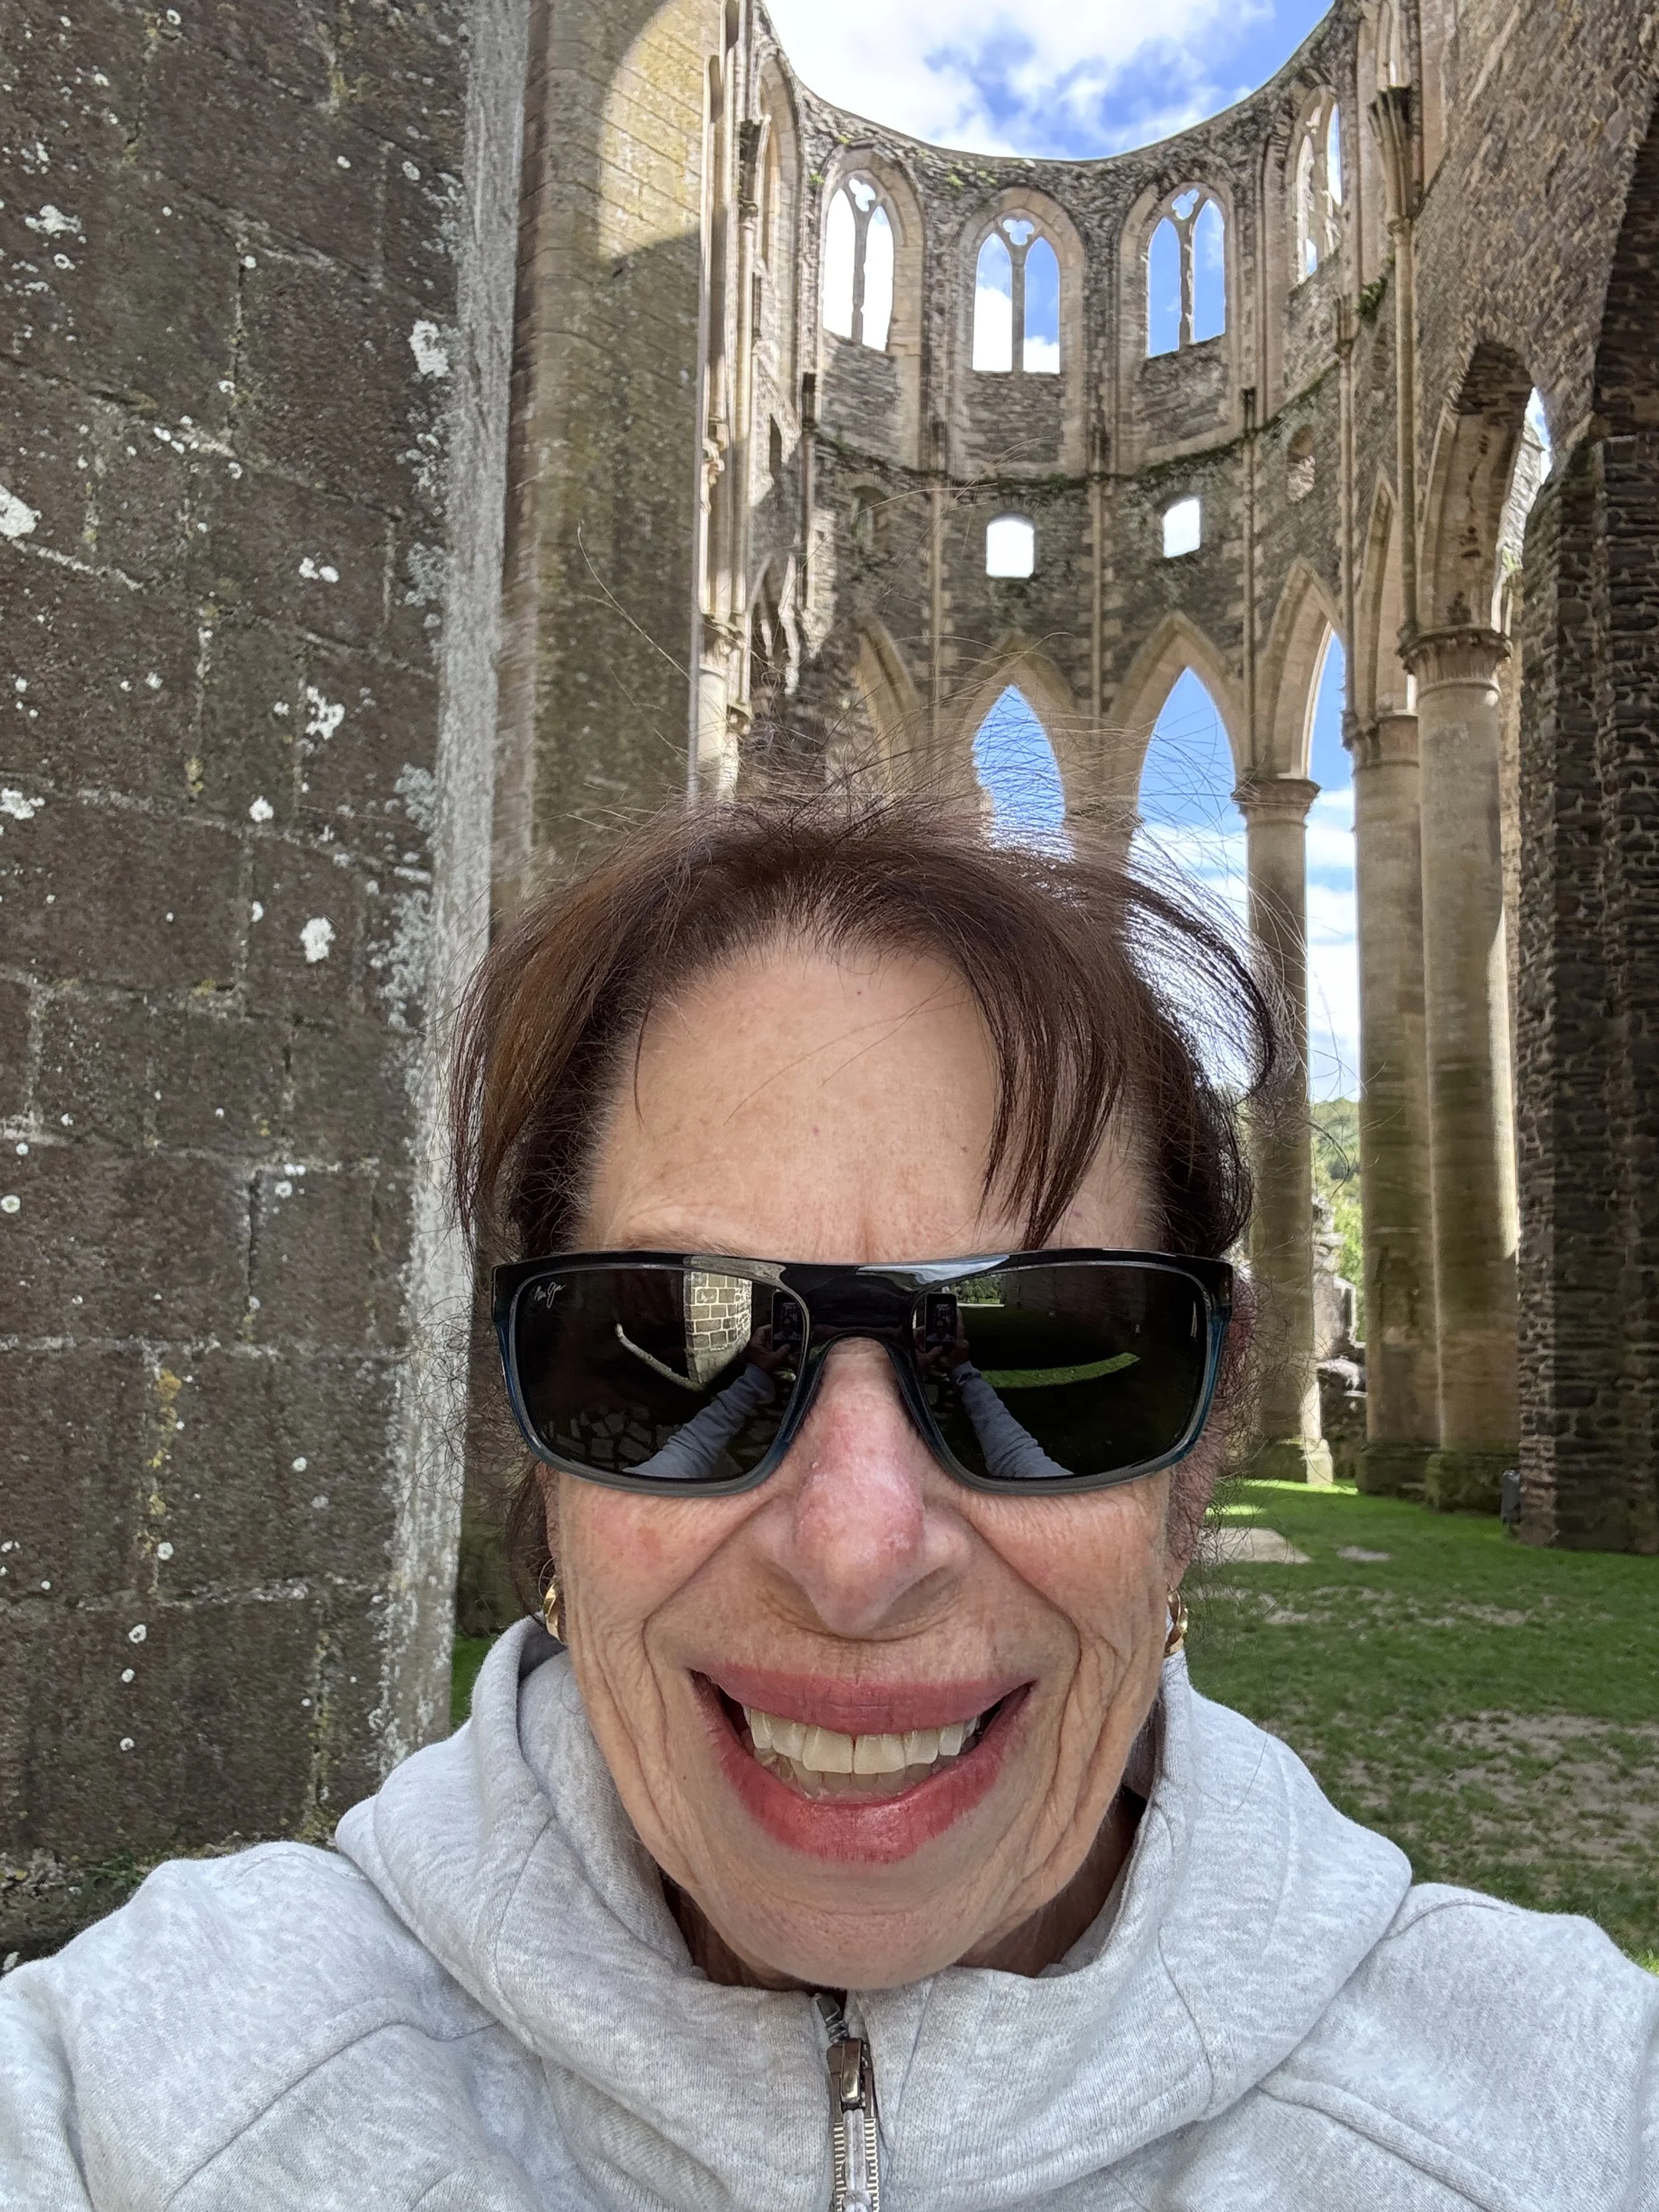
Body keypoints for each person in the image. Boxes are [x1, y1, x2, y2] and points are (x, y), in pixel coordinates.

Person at [2, 786, 1653, 2210]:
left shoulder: (1566, 2116)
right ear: (537, 1445)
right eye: (671, 1347)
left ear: (1201, 1443)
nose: (857, 1550)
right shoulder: (138, 2101)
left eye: (1050, 1350)